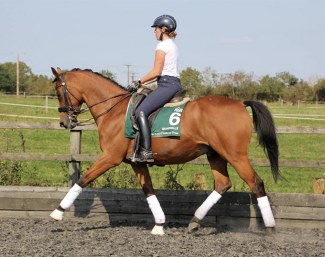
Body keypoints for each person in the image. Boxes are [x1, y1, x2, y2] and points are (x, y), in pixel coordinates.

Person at [127, 14, 182, 163]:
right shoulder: (173, 45)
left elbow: (156, 72)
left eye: (156, 29)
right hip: (172, 83)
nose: (154, 31)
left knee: (140, 111)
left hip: (167, 85)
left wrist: (137, 82)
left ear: (164, 29)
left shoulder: (162, 46)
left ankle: (146, 151)